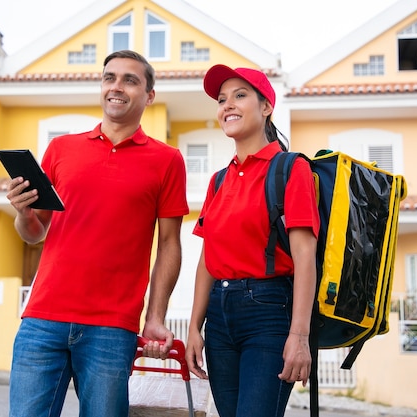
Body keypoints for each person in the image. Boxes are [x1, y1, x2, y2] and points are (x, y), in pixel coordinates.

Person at [5, 50, 189, 417]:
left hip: (111, 326)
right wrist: (23, 212)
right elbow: (34, 232)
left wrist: (155, 316)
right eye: (109, 78)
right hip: (42, 320)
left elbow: (169, 244)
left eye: (129, 80)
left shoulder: (167, 160)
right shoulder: (61, 149)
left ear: (149, 95)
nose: (116, 87)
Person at [185, 65, 320, 417]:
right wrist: (194, 329)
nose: (227, 105)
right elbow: (207, 261)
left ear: (266, 107)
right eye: (221, 99)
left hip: (269, 313)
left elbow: (305, 256)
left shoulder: (291, 169)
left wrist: (300, 337)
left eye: (240, 95)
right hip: (219, 316)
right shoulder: (217, 181)